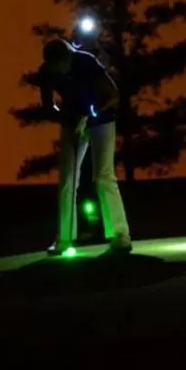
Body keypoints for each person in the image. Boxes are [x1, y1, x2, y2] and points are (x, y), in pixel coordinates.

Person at [38, 38, 131, 255]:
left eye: (63, 63)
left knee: (103, 175)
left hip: (102, 120)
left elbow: (113, 95)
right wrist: (65, 119)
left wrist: (88, 117)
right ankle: (64, 239)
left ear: (70, 56)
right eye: (56, 66)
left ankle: (120, 235)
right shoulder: (47, 72)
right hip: (72, 122)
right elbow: (48, 105)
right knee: (67, 179)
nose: (61, 69)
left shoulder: (86, 62)